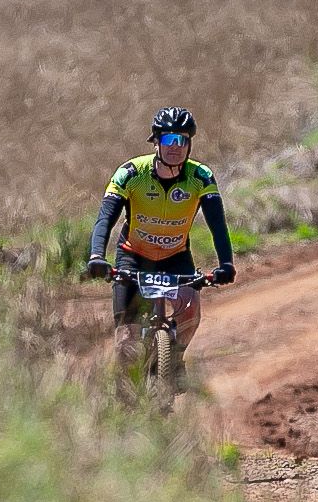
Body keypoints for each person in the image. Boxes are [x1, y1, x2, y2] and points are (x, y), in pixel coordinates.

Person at [86, 106, 236, 353]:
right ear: (155, 142)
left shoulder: (201, 176)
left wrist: (226, 264)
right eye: (168, 139)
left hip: (176, 257)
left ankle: (174, 360)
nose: (175, 146)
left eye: (182, 140)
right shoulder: (131, 173)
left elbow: (218, 225)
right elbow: (105, 219)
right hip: (133, 256)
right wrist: (96, 256)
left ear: (189, 145)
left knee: (190, 313)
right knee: (126, 341)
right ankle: (129, 377)